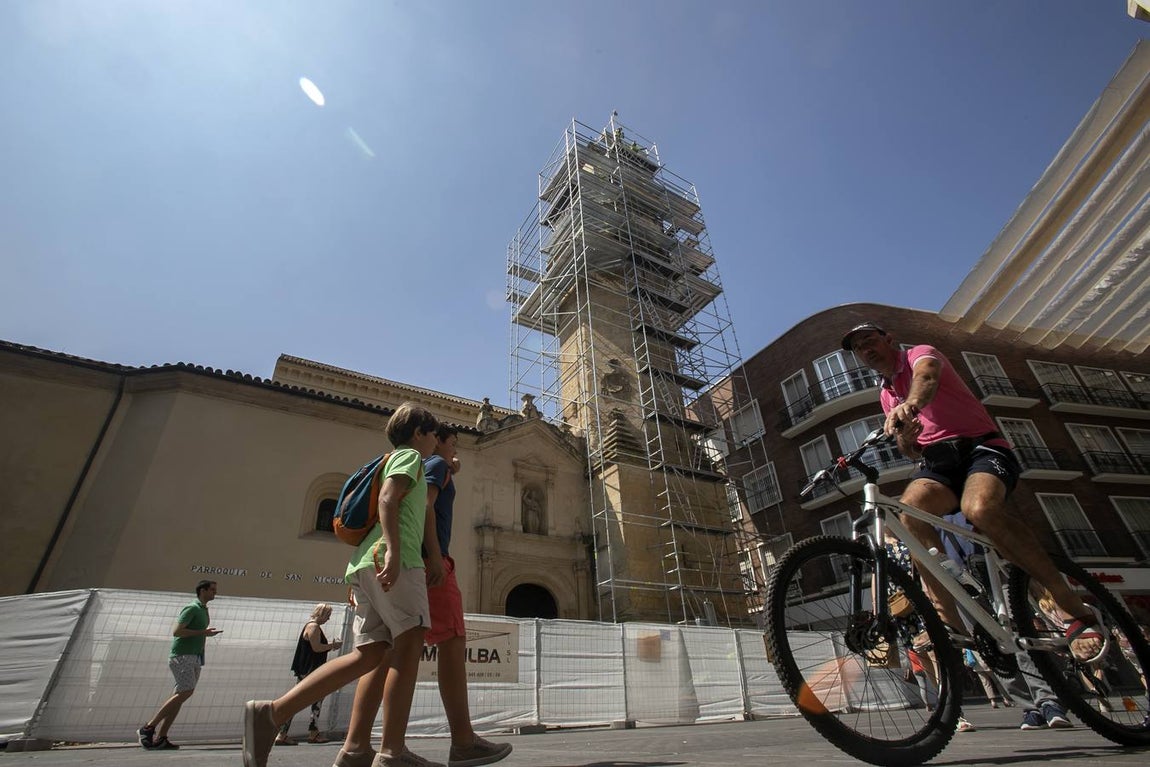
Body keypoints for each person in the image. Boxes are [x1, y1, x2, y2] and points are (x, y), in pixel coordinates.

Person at [841, 323, 1103, 662]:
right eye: (859, 348)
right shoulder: (886, 393)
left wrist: (912, 404)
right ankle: (950, 624)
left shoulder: (919, 354)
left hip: (980, 448)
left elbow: (928, 378)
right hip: (938, 463)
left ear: (889, 340)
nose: (866, 349)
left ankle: (1068, 603)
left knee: (980, 508)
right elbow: (910, 449)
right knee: (908, 516)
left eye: (870, 341)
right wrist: (907, 436)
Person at [242, 402, 441, 767]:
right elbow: (387, 499)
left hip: (366, 564)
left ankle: (275, 715)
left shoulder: (393, 457)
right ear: (418, 434)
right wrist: (396, 552)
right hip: (395, 562)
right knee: (409, 647)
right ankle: (393, 752)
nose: (436, 442)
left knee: (369, 654)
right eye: (434, 435)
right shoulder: (411, 457)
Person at [422, 424, 513, 767]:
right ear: (435, 439)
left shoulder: (426, 465)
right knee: (452, 641)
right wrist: (434, 557)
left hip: (409, 561)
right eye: (453, 443)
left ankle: (368, 746)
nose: (457, 450)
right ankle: (462, 741)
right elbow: (426, 506)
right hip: (431, 562)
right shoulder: (436, 465)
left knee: (385, 654)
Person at [137, 579, 222, 750]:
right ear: (202, 590)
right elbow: (177, 631)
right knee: (186, 691)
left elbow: (196, 633)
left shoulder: (203, 610)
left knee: (180, 697)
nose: (215, 593)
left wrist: (204, 637)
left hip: (195, 657)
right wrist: (202, 632)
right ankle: (148, 728)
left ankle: (161, 737)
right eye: (212, 590)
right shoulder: (192, 608)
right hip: (182, 656)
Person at [275, 603, 343, 746]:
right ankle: (302, 732)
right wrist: (332, 646)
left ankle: (299, 732)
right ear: (322, 614)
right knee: (305, 701)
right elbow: (316, 647)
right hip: (311, 671)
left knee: (305, 700)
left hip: (308, 670)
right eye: (328, 616)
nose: (328, 619)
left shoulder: (312, 626)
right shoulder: (313, 627)